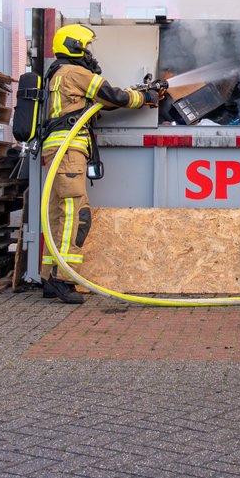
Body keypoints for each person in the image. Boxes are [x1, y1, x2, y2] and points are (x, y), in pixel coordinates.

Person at [39, 23, 162, 304]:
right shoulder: (76, 72)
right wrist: (145, 97)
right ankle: (64, 278)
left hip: (56, 149)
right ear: (75, 46)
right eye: (86, 47)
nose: (90, 54)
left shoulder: (57, 74)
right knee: (75, 213)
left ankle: (49, 276)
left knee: (58, 213)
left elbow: (102, 103)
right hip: (69, 150)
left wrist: (137, 92)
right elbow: (111, 95)